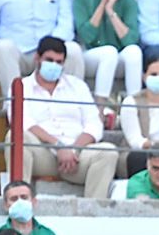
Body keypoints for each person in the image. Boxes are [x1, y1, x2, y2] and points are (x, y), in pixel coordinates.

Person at [9, 36, 118, 200]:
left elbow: (94, 124)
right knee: (15, 136)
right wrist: (59, 147)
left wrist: (73, 150)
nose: (54, 65)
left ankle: (93, 214)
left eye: (59, 62)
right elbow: (23, 122)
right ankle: (19, 203)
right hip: (43, 154)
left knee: (108, 152)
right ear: (37, 58)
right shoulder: (22, 86)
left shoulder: (77, 86)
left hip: (77, 156)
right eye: (49, 60)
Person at [73, 0, 143, 110]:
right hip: (91, 56)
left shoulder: (128, 1)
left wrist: (110, 11)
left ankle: (134, 110)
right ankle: (99, 109)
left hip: (117, 57)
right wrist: (102, 5)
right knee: (109, 51)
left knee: (134, 52)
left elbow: (130, 40)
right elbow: (87, 36)